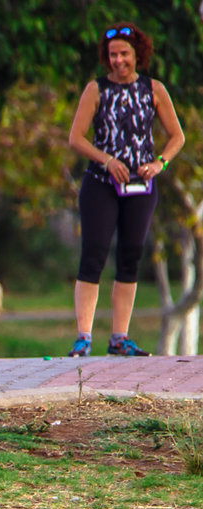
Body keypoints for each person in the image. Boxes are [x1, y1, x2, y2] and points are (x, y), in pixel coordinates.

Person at [66, 22, 184, 358]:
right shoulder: (96, 89)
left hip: (140, 186)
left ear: (138, 55)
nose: (118, 60)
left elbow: (178, 136)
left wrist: (159, 162)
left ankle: (120, 337)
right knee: (94, 253)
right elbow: (76, 138)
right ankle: (83, 336)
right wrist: (106, 160)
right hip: (102, 183)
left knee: (130, 255)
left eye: (124, 54)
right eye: (113, 54)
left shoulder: (153, 89)